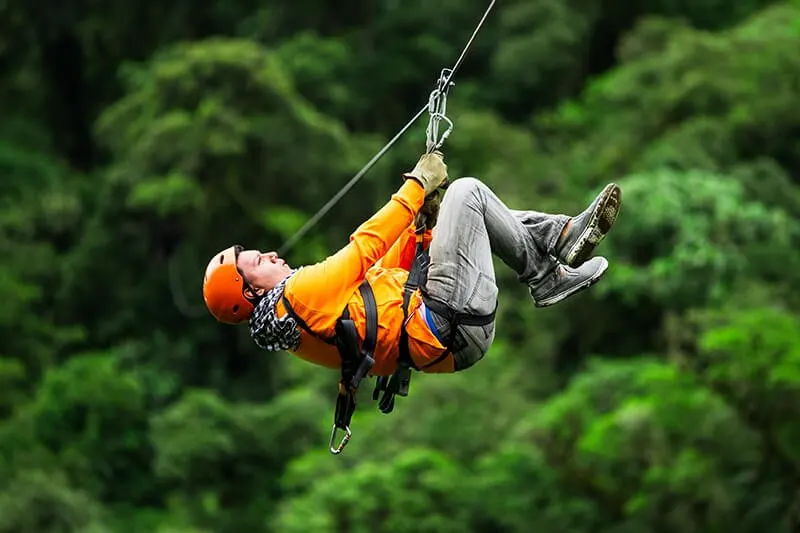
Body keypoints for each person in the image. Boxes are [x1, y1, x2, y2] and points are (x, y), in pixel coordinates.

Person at [202, 150, 621, 379]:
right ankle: (546, 274)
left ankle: (562, 236)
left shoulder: (295, 323)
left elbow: (380, 280)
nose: (271, 255)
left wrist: (418, 228)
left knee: (460, 210)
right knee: (467, 193)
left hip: (444, 326)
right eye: (257, 262)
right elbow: (365, 246)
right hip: (448, 320)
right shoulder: (298, 296)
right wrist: (416, 187)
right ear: (252, 291)